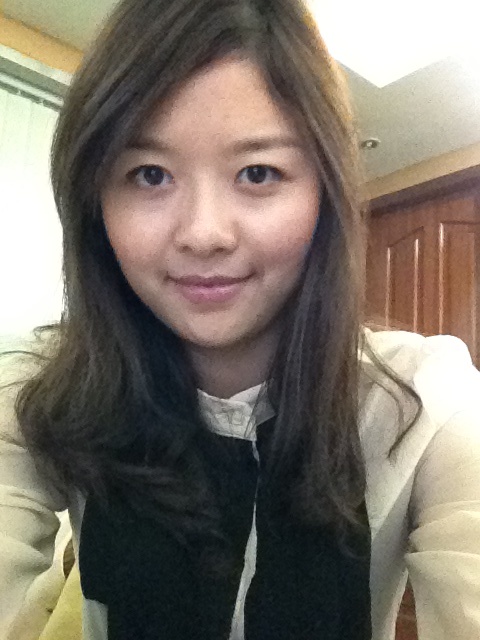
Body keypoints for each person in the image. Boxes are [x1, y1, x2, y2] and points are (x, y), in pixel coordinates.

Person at [1, 0, 480, 638]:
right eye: (149, 174)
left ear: (324, 194)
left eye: (258, 172)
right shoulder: (36, 393)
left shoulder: (424, 402)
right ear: (94, 203)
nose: (204, 233)